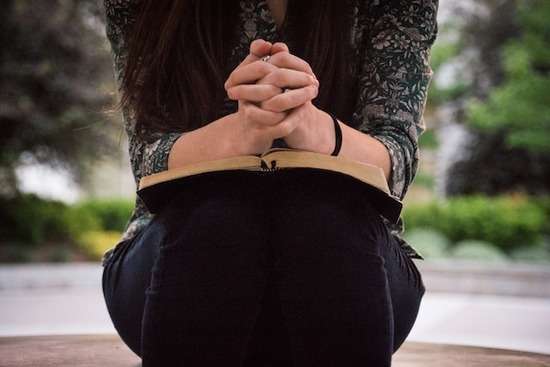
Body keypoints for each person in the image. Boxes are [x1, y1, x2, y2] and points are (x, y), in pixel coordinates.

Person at [101, 0, 438, 365]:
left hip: (352, 270)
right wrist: (240, 133)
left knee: (323, 217)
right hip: (173, 269)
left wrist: (311, 126)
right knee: (219, 216)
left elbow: (397, 160)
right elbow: (146, 159)